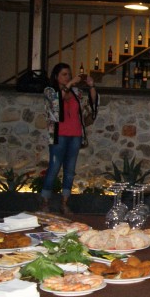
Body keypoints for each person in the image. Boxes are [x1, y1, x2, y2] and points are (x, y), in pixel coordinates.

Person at [40, 63, 98, 215]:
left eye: (69, 74)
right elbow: (56, 102)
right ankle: (45, 202)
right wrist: (71, 83)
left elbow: (92, 103)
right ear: (56, 76)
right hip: (59, 134)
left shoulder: (76, 92)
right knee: (54, 167)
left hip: (75, 134)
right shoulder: (50, 91)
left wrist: (91, 86)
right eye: (64, 74)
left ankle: (64, 203)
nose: (67, 77)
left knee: (70, 171)